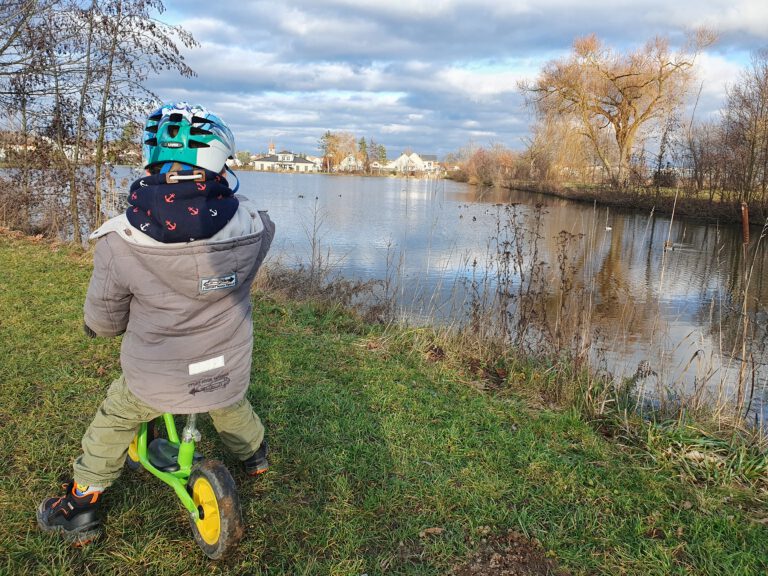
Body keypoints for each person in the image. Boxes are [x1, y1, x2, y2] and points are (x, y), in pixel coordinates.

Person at [37, 102, 275, 545]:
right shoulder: (257, 225)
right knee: (228, 401)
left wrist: (101, 328)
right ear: (222, 163)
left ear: (150, 160)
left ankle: (81, 503)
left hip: (156, 375)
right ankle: (255, 454)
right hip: (225, 364)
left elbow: (105, 318)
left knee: (116, 416)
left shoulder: (119, 239)